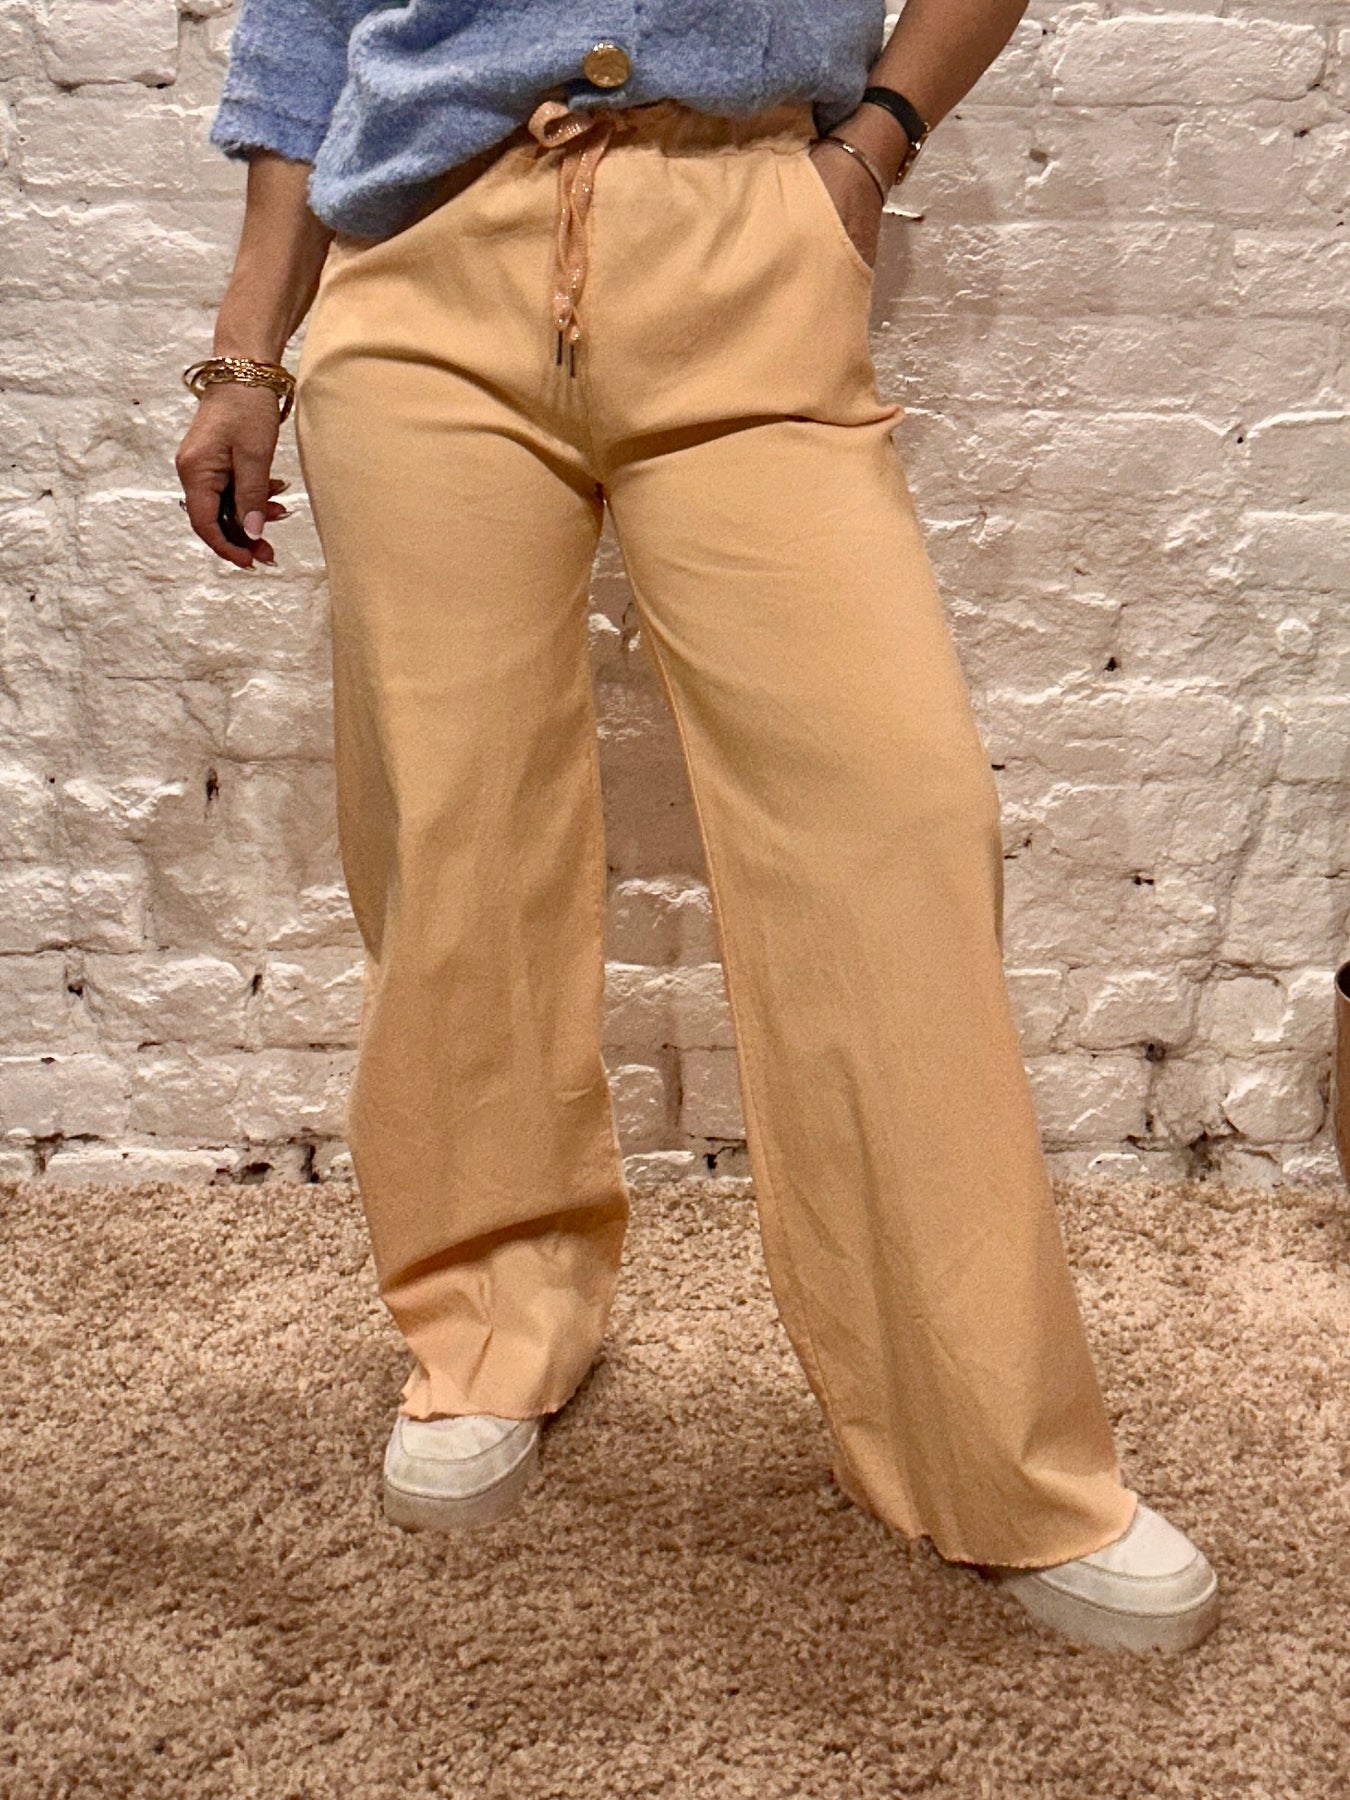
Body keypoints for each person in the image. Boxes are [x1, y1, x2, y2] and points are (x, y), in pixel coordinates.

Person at [176, 0, 1220, 1655]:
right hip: (421, 268)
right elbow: (309, 31)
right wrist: (249, 354)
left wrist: (867, 154)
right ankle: (489, 1322)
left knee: (893, 821)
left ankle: (989, 1444)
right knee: (456, 831)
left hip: (747, 241)